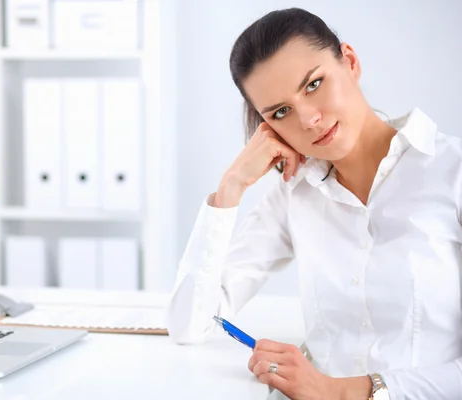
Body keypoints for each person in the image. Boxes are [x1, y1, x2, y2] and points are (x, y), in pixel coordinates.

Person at [166, 7, 462, 400]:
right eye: (281, 112)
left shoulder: (452, 171)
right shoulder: (295, 195)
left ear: (351, 62)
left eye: (314, 84)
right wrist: (231, 187)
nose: (307, 119)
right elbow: (190, 325)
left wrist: (343, 392)